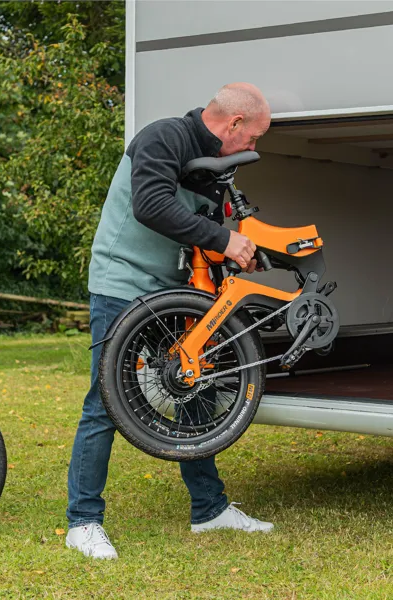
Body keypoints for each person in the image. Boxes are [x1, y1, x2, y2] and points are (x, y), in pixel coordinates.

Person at [66, 83, 275, 560]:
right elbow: (153, 205)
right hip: (121, 283)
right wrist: (224, 240)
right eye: (254, 138)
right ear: (234, 124)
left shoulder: (218, 166)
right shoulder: (164, 137)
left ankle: (209, 510)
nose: (253, 148)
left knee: (194, 387)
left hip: (174, 292)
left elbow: (207, 229)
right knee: (106, 399)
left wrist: (245, 252)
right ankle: (83, 521)